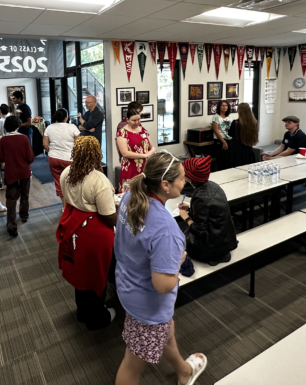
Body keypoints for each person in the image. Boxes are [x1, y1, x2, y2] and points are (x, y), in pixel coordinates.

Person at [114, 152, 207, 385]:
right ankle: (183, 371)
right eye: (182, 179)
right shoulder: (167, 230)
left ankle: (183, 371)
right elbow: (164, 285)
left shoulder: (130, 197)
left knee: (167, 332)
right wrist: (178, 259)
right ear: (165, 185)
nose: (185, 182)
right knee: (131, 367)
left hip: (127, 285)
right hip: (148, 305)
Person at [57, 137, 117, 331]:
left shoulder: (67, 172)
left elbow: (66, 199)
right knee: (96, 274)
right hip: (94, 232)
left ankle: (82, 312)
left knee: (80, 273)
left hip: (73, 225)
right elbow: (108, 217)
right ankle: (98, 317)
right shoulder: (99, 180)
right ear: (97, 154)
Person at [179, 157, 238, 266]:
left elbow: (198, 231)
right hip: (226, 239)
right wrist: (191, 208)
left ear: (189, 176)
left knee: (178, 232)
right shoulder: (213, 185)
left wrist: (185, 216)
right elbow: (210, 212)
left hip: (213, 246)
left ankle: (211, 256)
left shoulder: (200, 197)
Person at [0, 116, 34, 237]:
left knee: (11, 198)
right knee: (25, 194)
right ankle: (24, 215)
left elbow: (1, 158)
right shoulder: (23, 138)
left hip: (10, 172)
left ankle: (11, 224)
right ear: (18, 125)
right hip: (24, 171)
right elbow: (30, 157)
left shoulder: (3, 140)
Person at [44, 108, 80, 207]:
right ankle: (73, 205)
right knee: (73, 181)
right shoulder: (72, 127)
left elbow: (45, 144)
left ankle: (64, 206)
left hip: (53, 159)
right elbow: (79, 144)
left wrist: (51, 152)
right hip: (69, 159)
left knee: (59, 182)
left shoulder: (49, 127)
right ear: (66, 117)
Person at [116, 107, 156, 193]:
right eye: (134, 120)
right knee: (129, 193)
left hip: (144, 167)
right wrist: (145, 155)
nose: (137, 122)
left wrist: (152, 152)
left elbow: (151, 146)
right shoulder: (122, 132)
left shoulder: (143, 130)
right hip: (130, 166)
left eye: (139, 119)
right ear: (127, 120)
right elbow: (125, 153)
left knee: (144, 192)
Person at [227, 102, 258, 168]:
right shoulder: (254, 122)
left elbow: (230, 134)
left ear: (239, 111)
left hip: (236, 150)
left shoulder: (235, 123)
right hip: (248, 149)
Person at [211, 100, 231, 171]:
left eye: (226, 105)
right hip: (220, 140)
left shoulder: (228, 117)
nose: (224, 107)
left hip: (228, 139)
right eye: (222, 105)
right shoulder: (216, 117)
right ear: (219, 107)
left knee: (228, 160)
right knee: (222, 160)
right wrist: (224, 142)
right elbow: (216, 131)